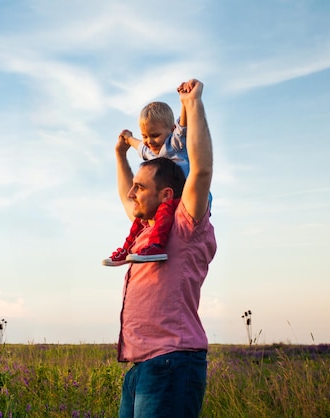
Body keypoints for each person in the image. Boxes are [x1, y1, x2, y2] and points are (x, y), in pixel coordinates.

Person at [113, 79, 216, 418]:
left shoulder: (185, 225)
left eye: (140, 188)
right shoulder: (148, 229)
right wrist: (120, 156)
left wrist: (194, 103)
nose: (132, 194)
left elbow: (200, 171)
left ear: (166, 196)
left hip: (173, 361)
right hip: (141, 366)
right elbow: (125, 197)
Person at [103, 101, 188, 266]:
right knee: (140, 217)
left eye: (155, 135)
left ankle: (156, 246)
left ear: (171, 130)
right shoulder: (153, 154)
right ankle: (128, 248)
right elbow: (141, 147)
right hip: (165, 198)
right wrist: (128, 139)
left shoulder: (176, 145)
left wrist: (186, 103)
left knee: (164, 209)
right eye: (145, 136)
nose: (150, 141)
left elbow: (184, 125)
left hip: (183, 199)